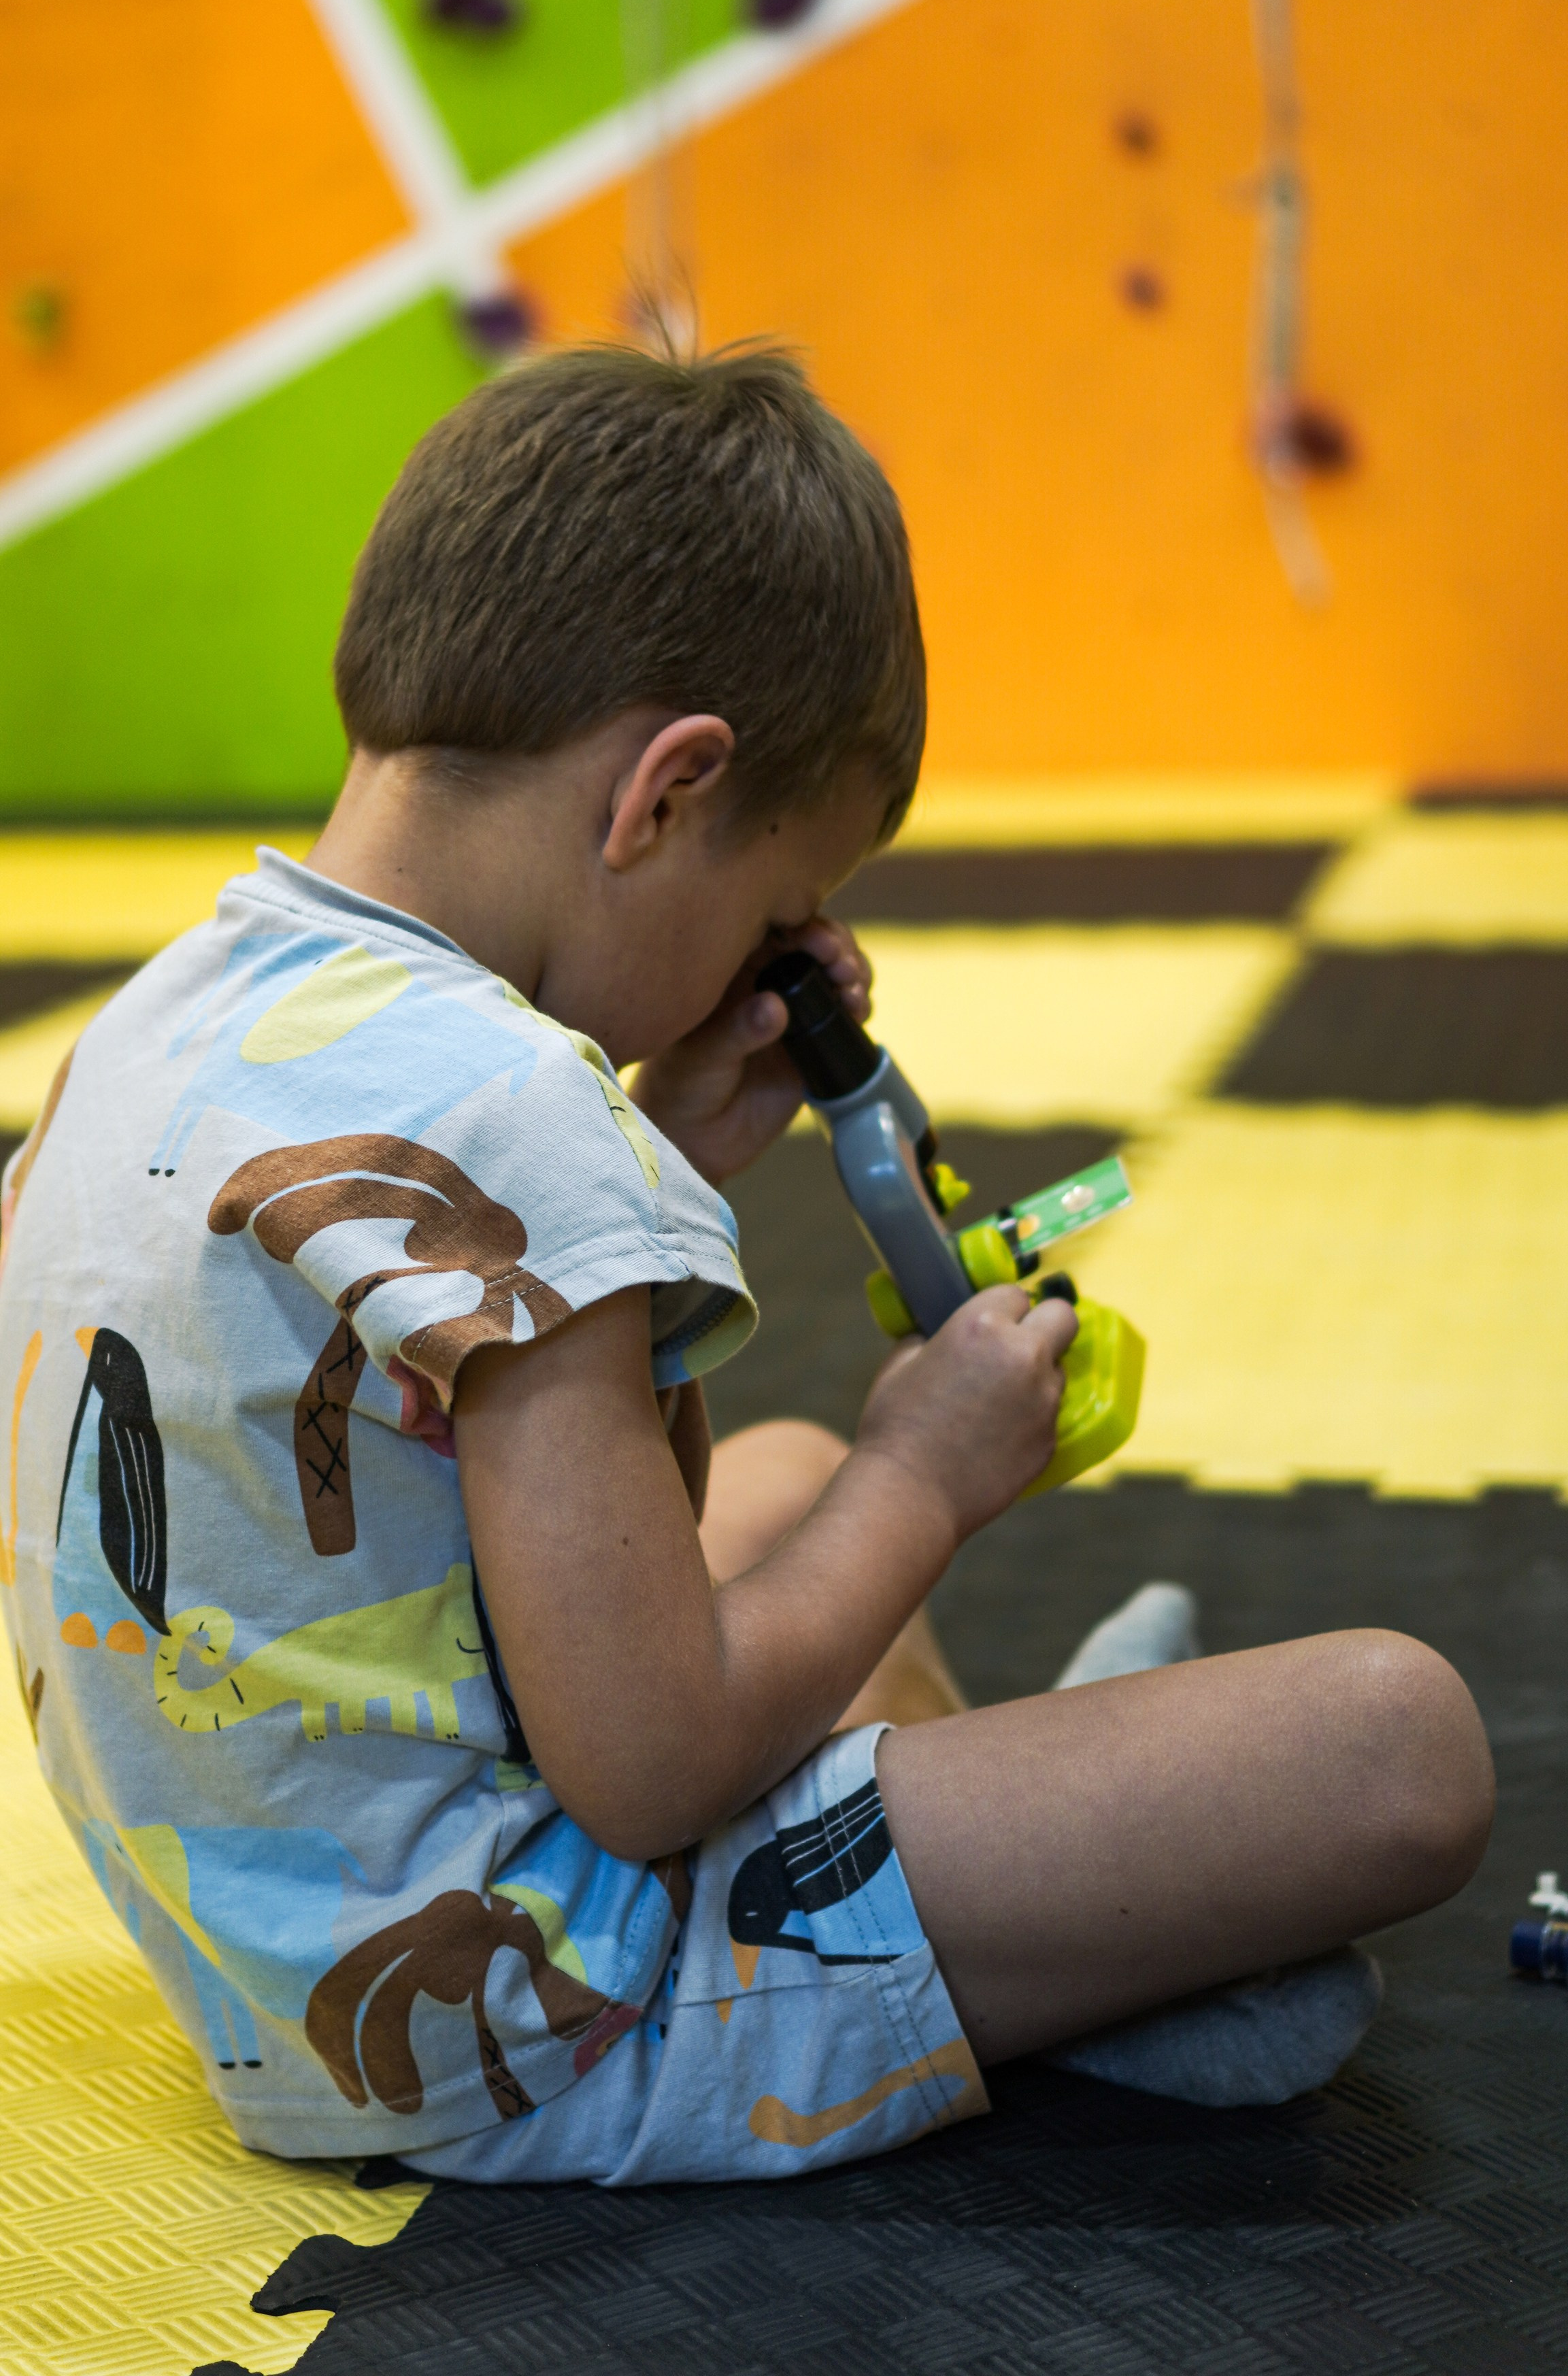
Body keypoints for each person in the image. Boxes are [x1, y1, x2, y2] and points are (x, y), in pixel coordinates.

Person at [0, 344, 1493, 2186]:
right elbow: (653, 1768)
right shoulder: (511, 1110)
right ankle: (1099, 1957)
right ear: (665, 794)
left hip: (282, 1953)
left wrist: (665, 1160)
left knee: (777, 1477)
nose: (772, 959)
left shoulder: (164, 1020)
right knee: (1394, 1741)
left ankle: (1072, 1891)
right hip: (537, 2013)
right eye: (779, 905)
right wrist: (926, 1475)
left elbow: (439, 1464)